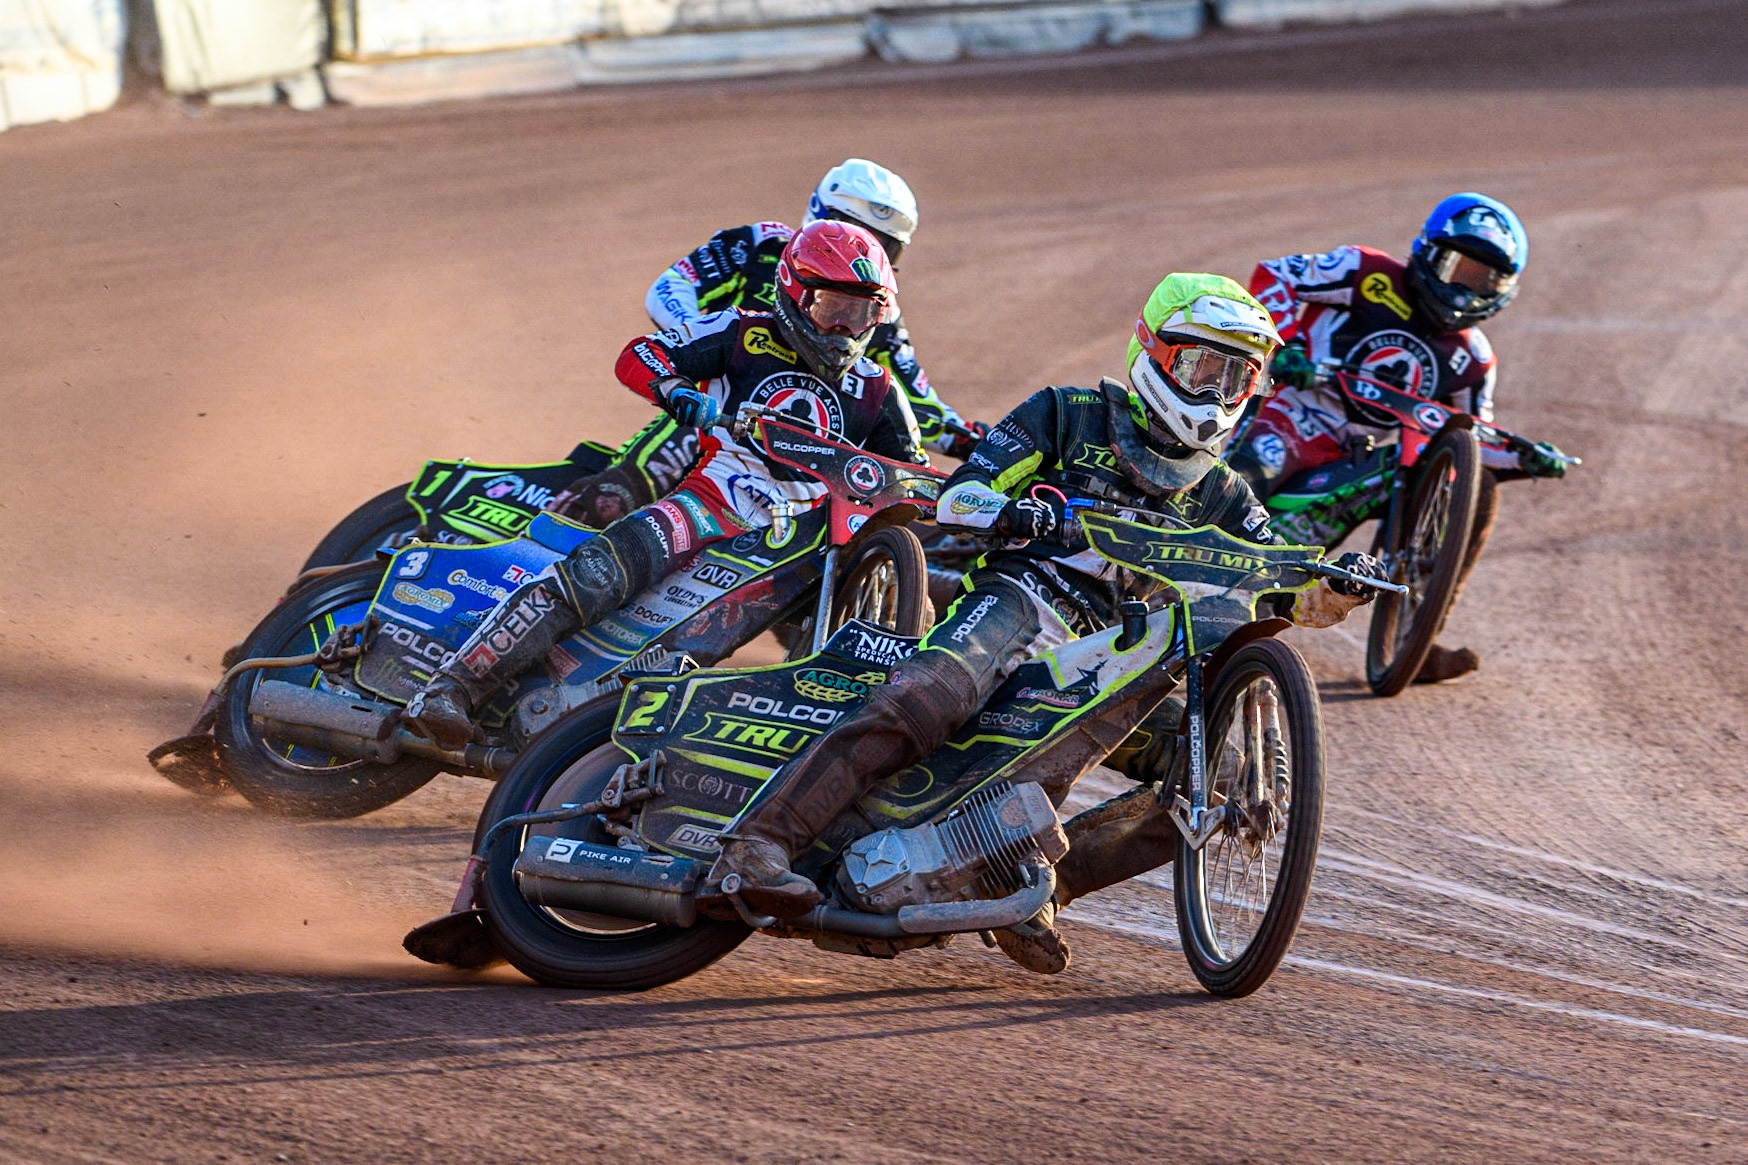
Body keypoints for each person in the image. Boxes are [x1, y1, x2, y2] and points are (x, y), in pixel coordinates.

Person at [708, 273, 1383, 974]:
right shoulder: (1068, 413)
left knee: (1216, 777)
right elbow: (963, 490)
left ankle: (1030, 883)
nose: (1214, 393)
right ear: (1154, 353)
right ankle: (758, 842)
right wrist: (1009, 509)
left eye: (1235, 378)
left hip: (1114, 656)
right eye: (1201, 367)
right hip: (1022, 597)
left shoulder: (1223, 492)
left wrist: (1334, 583)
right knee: (926, 694)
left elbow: (1278, 579)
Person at [404, 221, 927, 749]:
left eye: (858, 312)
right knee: (599, 570)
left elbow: (913, 477)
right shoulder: (743, 333)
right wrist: (675, 388)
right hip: (707, 505)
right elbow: (640, 353)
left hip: (796, 548)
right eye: (829, 308)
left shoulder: (879, 391)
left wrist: (970, 507)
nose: (841, 328)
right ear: (793, 290)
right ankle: (450, 687)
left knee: (706, 658)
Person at [1227, 192, 1550, 683]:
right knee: (1234, 488)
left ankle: (1415, 636)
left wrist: (1528, 459)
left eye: (1482, 279)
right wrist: (1284, 341)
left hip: (1378, 460)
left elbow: (1474, 437)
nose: (1465, 290)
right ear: (1426, 252)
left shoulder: (1475, 359)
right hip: (1300, 417)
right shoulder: (1365, 271)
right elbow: (1275, 276)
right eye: (1457, 268)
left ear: (1503, 289)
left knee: (1477, 488)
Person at [552, 159, 979, 528]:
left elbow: (918, 399)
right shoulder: (763, 243)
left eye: (887, 246)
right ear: (822, 214)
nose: (865, 250)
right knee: (610, 500)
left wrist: (970, 440)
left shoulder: (880, 309)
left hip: (812, 445)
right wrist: (705, 349)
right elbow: (671, 287)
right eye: (861, 231)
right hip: (713, 412)